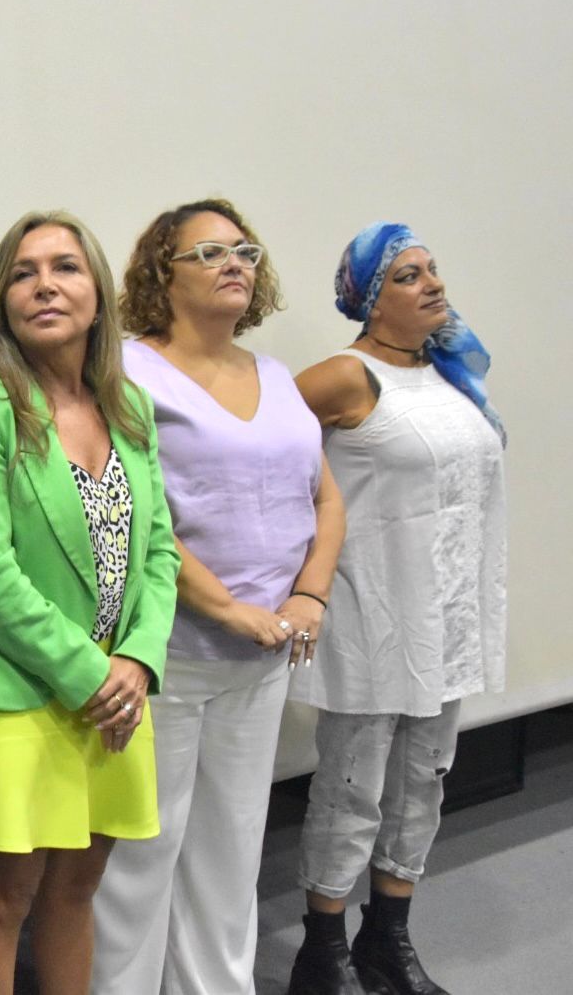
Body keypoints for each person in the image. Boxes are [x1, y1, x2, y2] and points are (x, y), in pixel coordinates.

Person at [92, 198, 345, 995]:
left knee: (230, 852)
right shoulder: (129, 372)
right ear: (159, 274)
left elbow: (325, 499)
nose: (235, 263)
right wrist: (223, 605)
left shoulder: (273, 376)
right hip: (164, 655)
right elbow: (137, 514)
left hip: (261, 659)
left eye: (243, 251)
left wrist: (309, 595)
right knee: (139, 855)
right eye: (209, 253)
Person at [0, 210, 180, 994]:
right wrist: (90, 674)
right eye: (22, 271)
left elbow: (161, 552)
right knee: (5, 897)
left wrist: (137, 657)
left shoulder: (128, 410)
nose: (43, 285)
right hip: (22, 692)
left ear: (98, 296)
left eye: (64, 267)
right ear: (1, 299)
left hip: (116, 696)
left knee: (76, 891)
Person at [284, 222, 506, 995]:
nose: (433, 284)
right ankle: (323, 951)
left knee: (423, 778)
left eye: (433, 269)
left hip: (442, 618)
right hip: (370, 620)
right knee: (351, 787)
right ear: (372, 300)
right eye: (409, 275)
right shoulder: (344, 377)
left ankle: (388, 938)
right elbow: (261, 446)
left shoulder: (447, 375)